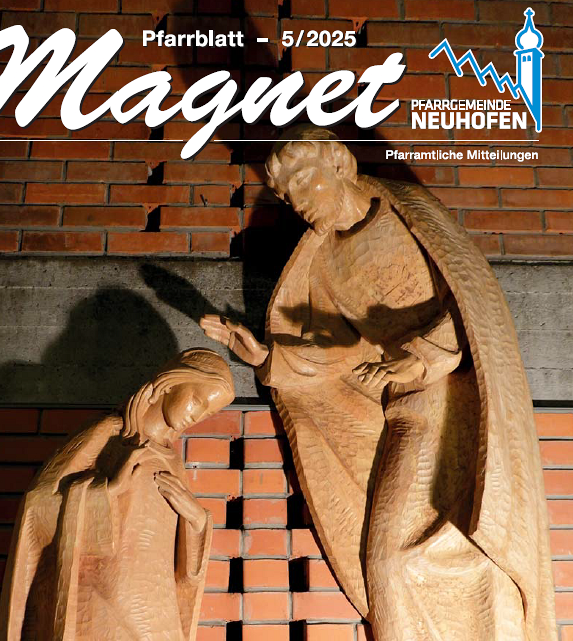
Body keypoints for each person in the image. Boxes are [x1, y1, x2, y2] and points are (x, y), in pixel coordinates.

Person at [200, 127, 555, 640]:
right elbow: (340, 354)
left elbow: (471, 305)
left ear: (339, 165)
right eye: (287, 195)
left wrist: (419, 357)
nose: (298, 202)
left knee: (473, 545)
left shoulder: (410, 214)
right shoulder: (322, 262)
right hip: (407, 410)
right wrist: (268, 358)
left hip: (461, 403)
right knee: (388, 562)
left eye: (303, 182)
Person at [0, 348, 235, 641]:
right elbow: (38, 505)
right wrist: (106, 492)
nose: (196, 416)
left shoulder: (173, 462)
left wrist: (196, 521)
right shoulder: (111, 434)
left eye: (207, 413)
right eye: (197, 401)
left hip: (158, 612)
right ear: (170, 384)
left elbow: (180, 570)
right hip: (101, 602)